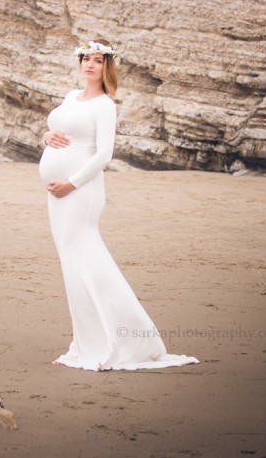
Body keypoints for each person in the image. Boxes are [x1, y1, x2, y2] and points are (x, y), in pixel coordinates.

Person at [38, 39, 198, 371]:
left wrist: (71, 182)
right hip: (58, 195)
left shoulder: (104, 105)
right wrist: (46, 137)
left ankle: (115, 340)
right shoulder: (71, 97)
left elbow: (103, 154)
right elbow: (56, 129)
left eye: (97, 60)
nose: (90, 65)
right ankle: (86, 340)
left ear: (106, 67)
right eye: (86, 59)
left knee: (85, 263)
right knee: (75, 267)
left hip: (81, 193)